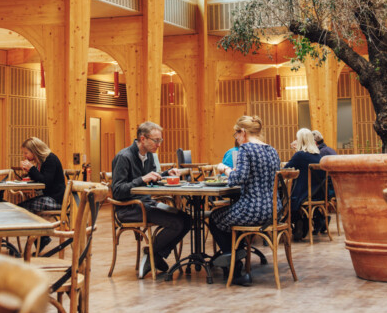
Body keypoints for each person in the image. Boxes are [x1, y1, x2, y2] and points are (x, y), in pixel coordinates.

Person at [111, 121, 191, 278]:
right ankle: (154, 255)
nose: (159, 144)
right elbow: (118, 191)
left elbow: (153, 179)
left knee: (187, 219)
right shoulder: (123, 157)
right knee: (177, 222)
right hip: (129, 208)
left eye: (160, 140)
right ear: (143, 139)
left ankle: (154, 254)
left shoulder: (148, 156)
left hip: (147, 204)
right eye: (156, 140)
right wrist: (142, 178)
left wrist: (168, 173)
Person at [208, 115, 281, 287]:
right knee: (229, 217)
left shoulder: (246, 149)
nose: (237, 139)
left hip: (252, 209)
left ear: (242, 132)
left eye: (236, 135)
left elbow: (236, 180)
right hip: (274, 210)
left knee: (215, 218)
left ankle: (235, 269)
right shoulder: (272, 150)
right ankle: (238, 254)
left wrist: (224, 169)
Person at [285, 128, 323, 241]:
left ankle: (299, 221)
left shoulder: (300, 155)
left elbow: (285, 169)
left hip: (305, 193)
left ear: (300, 140)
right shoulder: (318, 155)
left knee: (286, 199)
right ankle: (307, 219)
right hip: (319, 193)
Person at [17, 136, 66, 213]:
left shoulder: (50, 159)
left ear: (34, 151)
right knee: (19, 207)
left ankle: (33, 225)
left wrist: (32, 169)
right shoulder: (41, 161)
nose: (24, 155)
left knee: (20, 209)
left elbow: (46, 182)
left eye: (26, 153)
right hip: (48, 197)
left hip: (55, 200)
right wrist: (29, 170)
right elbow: (39, 179)